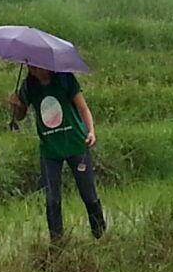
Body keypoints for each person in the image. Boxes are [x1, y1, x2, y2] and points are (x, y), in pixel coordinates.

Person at [11, 66, 106, 242]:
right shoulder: (28, 86)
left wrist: (91, 131)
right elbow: (19, 116)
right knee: (52, 199)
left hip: (76, 143)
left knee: (88, 194)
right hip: (50, 149)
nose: (34, 69)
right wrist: (16, 106)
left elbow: (83, 108)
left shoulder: (65, 79)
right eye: (31, 65)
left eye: (37, 65)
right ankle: (57, 243)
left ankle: (100, 235)